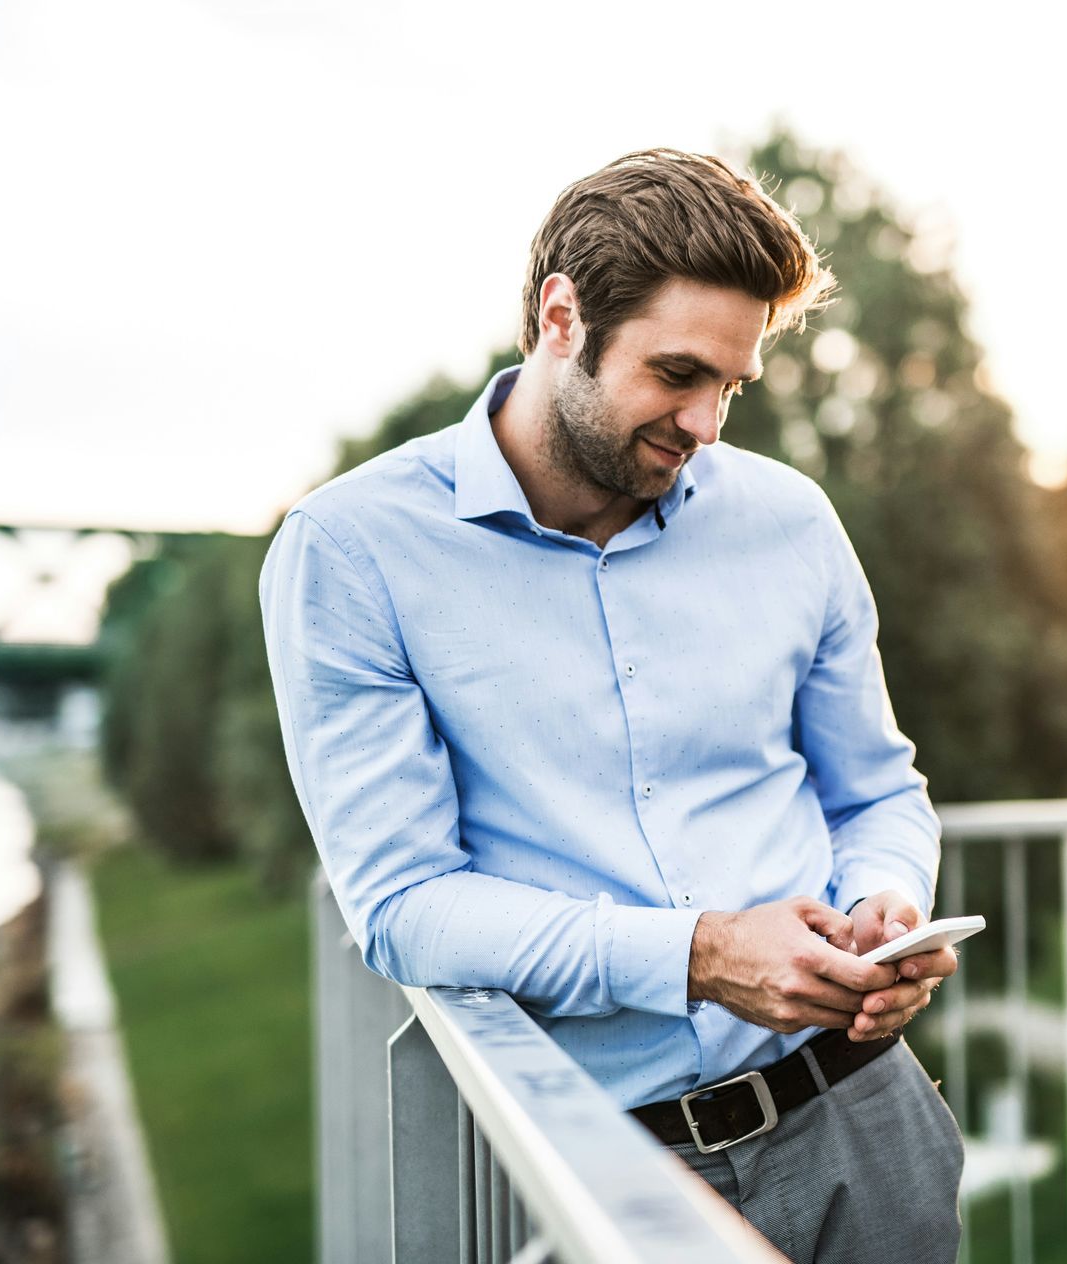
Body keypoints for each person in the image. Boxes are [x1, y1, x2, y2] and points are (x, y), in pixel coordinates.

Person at [260, 148, 964, 1263]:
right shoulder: (351, 552)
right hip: (603, 1179)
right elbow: (402, 905)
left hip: (865, 1124)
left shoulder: (791, 521)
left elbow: (877, 786)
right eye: (677, 373)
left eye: (731, 384)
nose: (706, 424)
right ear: (559, 316)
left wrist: (886, 901)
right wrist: (701, 953)